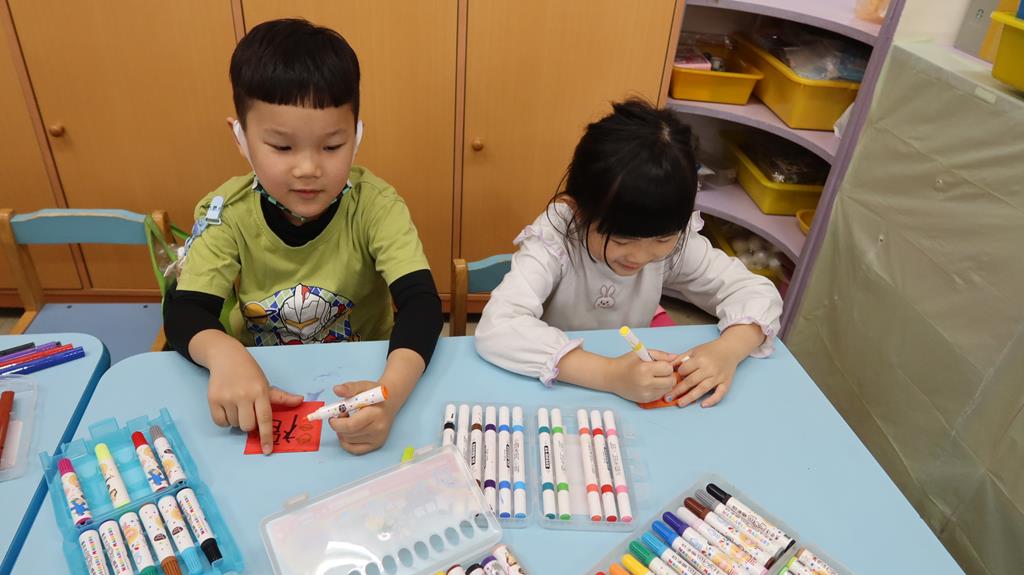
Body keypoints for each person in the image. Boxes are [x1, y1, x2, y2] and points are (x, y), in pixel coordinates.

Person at [163, 19, 442, 454]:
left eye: (332, 147)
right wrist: (223, 355)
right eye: (282, 147)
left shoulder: (376, 205)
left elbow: (422, 303)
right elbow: (185, 311)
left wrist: (389, 395)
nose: (309, 169)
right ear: (241, 138)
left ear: (357, 136)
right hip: (263, 377)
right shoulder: (226, 213)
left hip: (363, 372)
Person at [475, 99, 782, 408]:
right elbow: (498, 328)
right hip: (558, 387)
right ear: (577, 211)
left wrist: (727, 351)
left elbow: (755, 291)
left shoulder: (676, 243)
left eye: (662, 238)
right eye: (622, 240)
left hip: (634, 388)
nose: (641, 256)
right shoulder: (556, 237)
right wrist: (609, 374)